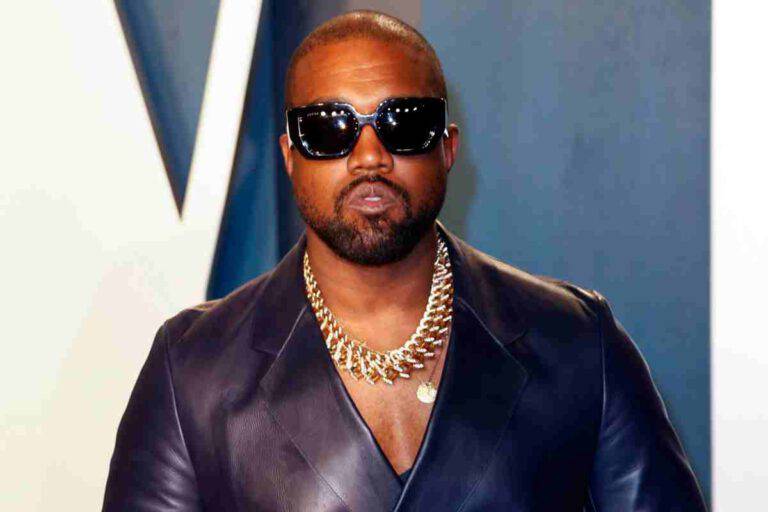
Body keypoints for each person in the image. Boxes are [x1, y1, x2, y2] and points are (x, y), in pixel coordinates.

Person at [102, 10, 707, 512]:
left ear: (447, 148)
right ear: (290, 156)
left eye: (404, 123)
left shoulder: (576, 343)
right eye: (328, 129)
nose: (370, 156)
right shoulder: (194, 369)